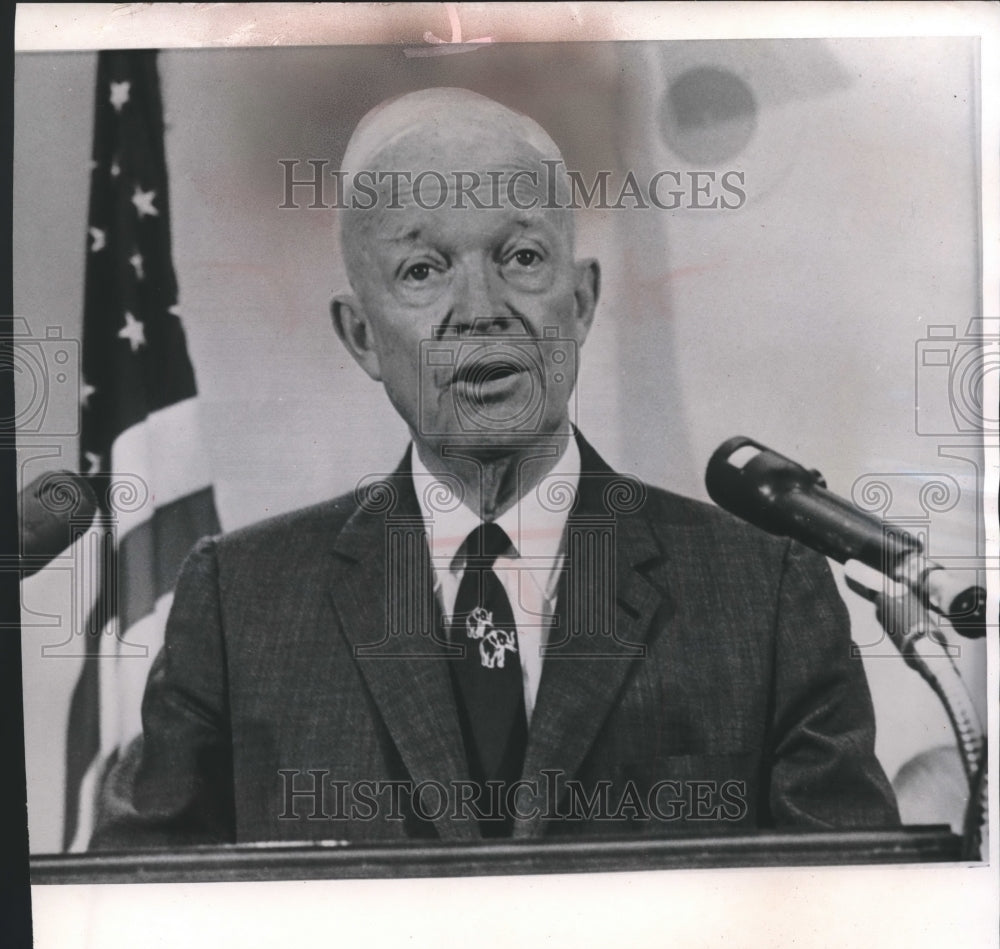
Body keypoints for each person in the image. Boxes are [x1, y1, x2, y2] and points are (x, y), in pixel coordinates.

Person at [92, 88, 899, 848]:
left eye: (519, 256)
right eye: (422, 270)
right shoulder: (241, 603)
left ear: (579, 302)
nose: (480, 309)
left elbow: (843, 926)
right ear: (362, 336)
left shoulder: (766, 595)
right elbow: (134, 919)